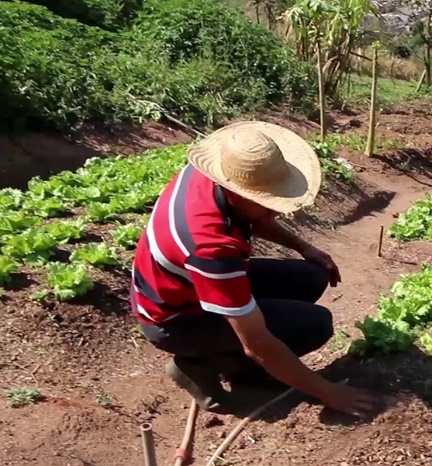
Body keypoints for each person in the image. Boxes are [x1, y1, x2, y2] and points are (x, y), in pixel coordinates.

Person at [130, 120, 376, 417]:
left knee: (312, 276)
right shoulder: (211, 247)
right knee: (315, 325)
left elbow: (252, 216)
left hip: (183, 286)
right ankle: (204, 365)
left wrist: (303, 246)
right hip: (175, 319)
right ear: (237, 193)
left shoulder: (211, 174)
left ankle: (232, 356)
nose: (276, 211)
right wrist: (328, 392)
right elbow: (257, 342)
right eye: (268, 202)